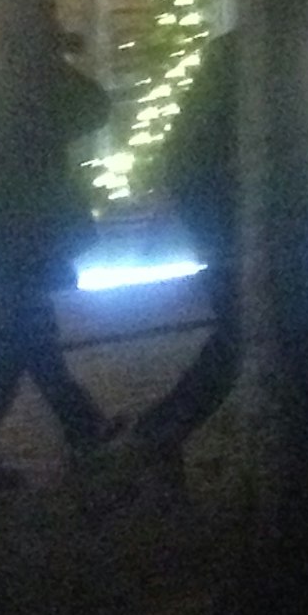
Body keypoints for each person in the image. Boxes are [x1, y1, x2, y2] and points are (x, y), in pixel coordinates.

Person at [0, 0, 116, 488]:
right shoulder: (28, 73)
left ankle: (82, 424)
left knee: (28, 331)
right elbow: (93, 107)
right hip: (25, 224)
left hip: (4, 223)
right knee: (14, 337)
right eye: (47, 11)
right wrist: (54, 57)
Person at [129, 30, 239, 463]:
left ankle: (164, 427)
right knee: (242, 331)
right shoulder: (231, 108)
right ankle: (162, 428)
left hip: (219, 221)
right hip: (229, 221)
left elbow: (180, 163)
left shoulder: (204, 105)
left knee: (241, 330)